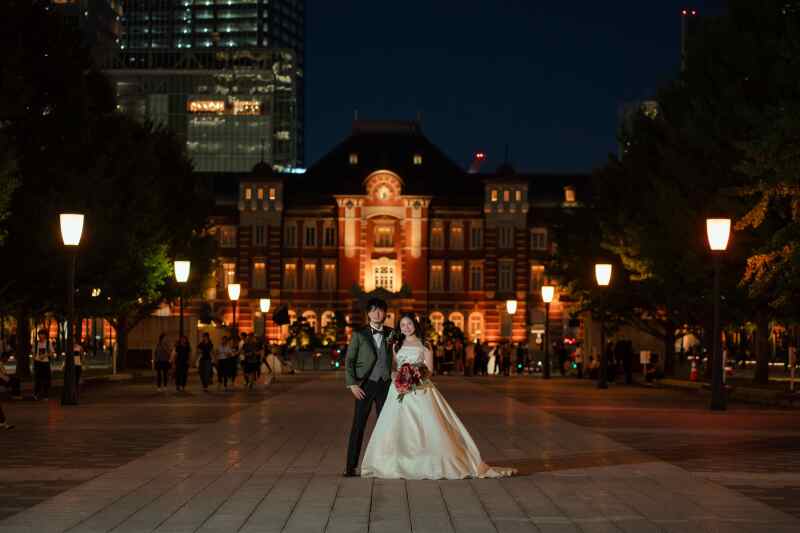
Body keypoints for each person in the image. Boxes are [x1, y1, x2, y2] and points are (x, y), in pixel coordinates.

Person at [360, 312, 516, 479]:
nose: (406, 328)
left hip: (421, 389)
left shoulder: (425, 344)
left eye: (409, 324)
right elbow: (393, 367)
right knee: (395, 428)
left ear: (415, 325)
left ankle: (433, 460)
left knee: (429, 425)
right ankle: (395, 461)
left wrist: (415, 376)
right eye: (403, 325)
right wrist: (396, 378)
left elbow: (430, 369)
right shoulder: (396, 345)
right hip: (399, 391)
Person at [344, 298, 393, 477]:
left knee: (385, 426)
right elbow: (349, 360)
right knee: (358, 425)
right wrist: (352, 384)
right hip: (365, 385)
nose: (377, 314)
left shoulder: (392, 333)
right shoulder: (359, 334)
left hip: (386, 385)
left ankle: (384, 464)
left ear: (385, 313)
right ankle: (350, 466)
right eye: (373, 310)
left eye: (380, 310)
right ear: (368, 313)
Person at [32, 330, 53, 401]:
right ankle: (36, 394)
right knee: (37, 379)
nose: (40, 336)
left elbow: (52, 352)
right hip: (37, 362)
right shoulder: (36, 343)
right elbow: (33, 353)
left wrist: (45, 355)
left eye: (42, 334)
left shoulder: (48, 343)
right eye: (39, 335)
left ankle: (45, 395)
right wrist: (33, 362)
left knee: (46, 379)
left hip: (45, 363)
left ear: (45, 335)